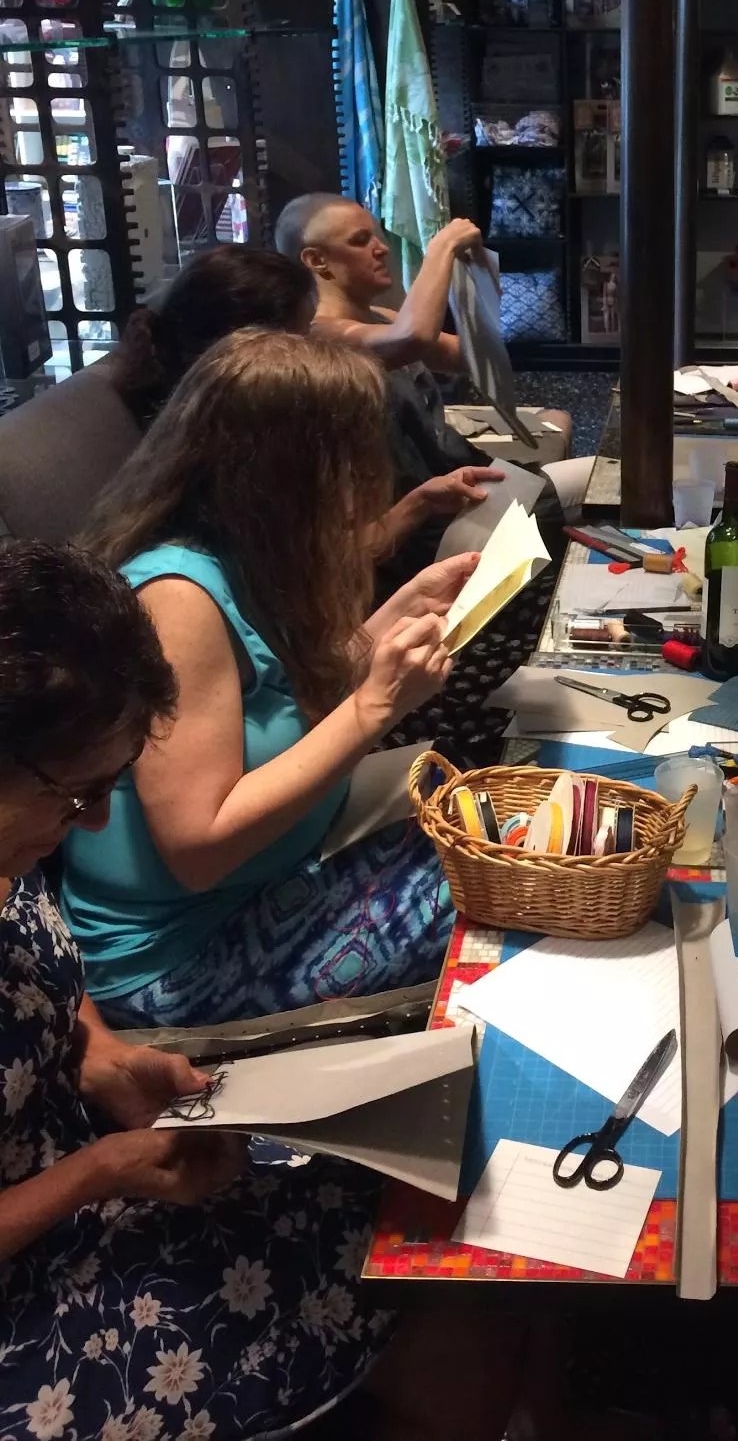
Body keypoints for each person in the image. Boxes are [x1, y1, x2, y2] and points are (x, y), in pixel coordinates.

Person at [0, 541, 527, 1441]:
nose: (95, 822)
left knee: (436, 1215)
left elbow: (43, 969)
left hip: (80, 1164)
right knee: (430, 1281)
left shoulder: (16, 846)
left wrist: (101, 1053)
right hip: (35, 1289)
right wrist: (95, 1174)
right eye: (79, 795)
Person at [62, 330, 480, 1028]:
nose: (373, 481)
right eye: (356, 460)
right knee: (507, 878)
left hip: (269, 883)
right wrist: (374, 707)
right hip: (183, 956)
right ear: (288, 474)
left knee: (490, 821)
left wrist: (397, 613)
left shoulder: (247, 557)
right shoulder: (176, 600)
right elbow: (200, 849)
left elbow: (278, 692)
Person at [106, 244, 506, 582]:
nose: (312, 346)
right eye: (303, 335)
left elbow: (333, 554)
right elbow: (312, 580)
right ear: (249, 350)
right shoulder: (229, 464)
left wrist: (418, 504)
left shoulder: (241, 430)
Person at [276, 194, 592, 539]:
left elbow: (471, 357)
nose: (381, 248)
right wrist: (441, 248)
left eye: (376, 236)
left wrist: (475, 279)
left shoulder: (380, 317)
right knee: (606, 481)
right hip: (434, 518)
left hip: (464, 479)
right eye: (360, 240)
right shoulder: (320, 338)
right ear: (317, 260)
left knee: (599, 474)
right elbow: (413, 337)